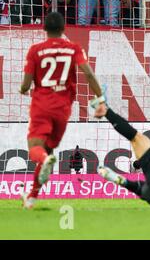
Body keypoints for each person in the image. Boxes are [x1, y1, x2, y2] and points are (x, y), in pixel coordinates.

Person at [19, 12, 104, 209]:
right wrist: (99, 99)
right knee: (47, 149)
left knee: (36, 149)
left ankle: (45, 162)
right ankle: (31, 198)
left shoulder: (35, 50)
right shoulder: (73, 48)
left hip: (42, 105)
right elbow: (89, 74)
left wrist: (22, 89)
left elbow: (26, 83)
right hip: (63, 108)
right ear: (63, 28)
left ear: (44, 29)